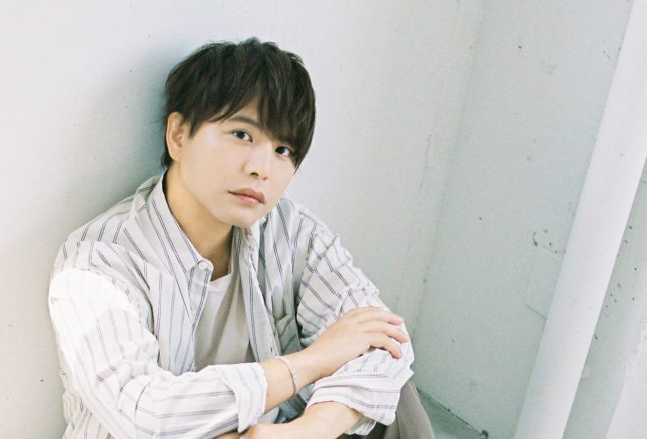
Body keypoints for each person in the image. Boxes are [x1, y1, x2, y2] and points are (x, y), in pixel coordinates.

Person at [48, 37, 434, 439]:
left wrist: (309, 431)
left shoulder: (291, 231)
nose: (261, 168)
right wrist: (311, 362)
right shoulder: (98, 261)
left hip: (276, 433)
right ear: (178, 135)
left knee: (391, 396)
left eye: (283, 149)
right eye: (242, 135)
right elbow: (147, 415)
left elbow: (387, 338)